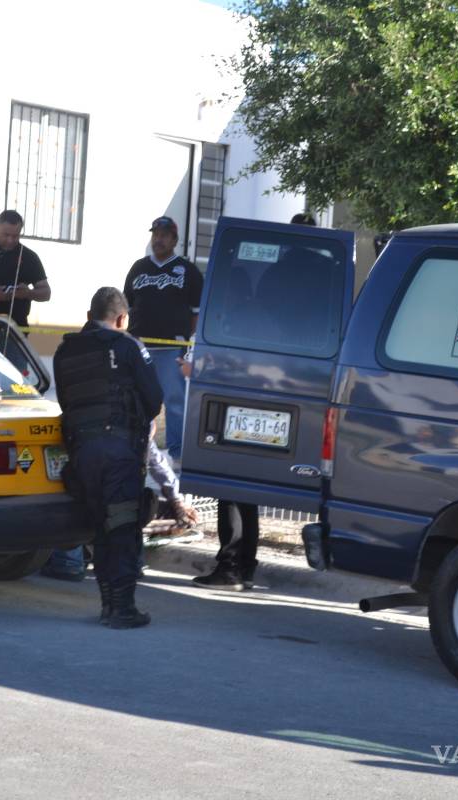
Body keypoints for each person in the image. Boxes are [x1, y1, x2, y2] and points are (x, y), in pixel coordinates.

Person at [193, 211, 322, 591]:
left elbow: (258, 316)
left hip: (252, 376)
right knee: (244, 481)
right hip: (296, 382)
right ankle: (241, 566)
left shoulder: (279, 273)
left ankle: (233, 566)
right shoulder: (323, 276)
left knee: (233, 478)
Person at [52, 287, 163, 628]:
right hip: (119, 454)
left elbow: (67, 402)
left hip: (83, 454)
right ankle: (122, 608)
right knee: (123, 527)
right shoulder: (129, 346)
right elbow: (154, 399)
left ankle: (107, 605)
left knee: (100, 527)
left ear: (89, 317)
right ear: (121, 319)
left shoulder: (64, 351)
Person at [39, 434, 197, 581]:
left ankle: (69, 563)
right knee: (127, 506)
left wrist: (177, 502)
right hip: (123, 492)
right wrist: (177, 500)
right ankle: (132, 564)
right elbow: (158, 465)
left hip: (95, 484)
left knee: (74, 498)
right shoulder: (138, 422)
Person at [123, 216, 203, 463]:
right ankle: (134, 451)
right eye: (156, 234)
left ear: (175, 240)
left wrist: (185, 341)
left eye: (165, 235)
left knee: (174, 402)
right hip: (140, 346)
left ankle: (177, 454)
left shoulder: (188, 270)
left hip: (171, 348)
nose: (159, 239)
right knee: (136, 399)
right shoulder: (139, 267)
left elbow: (196, 313)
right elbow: (126, 305)